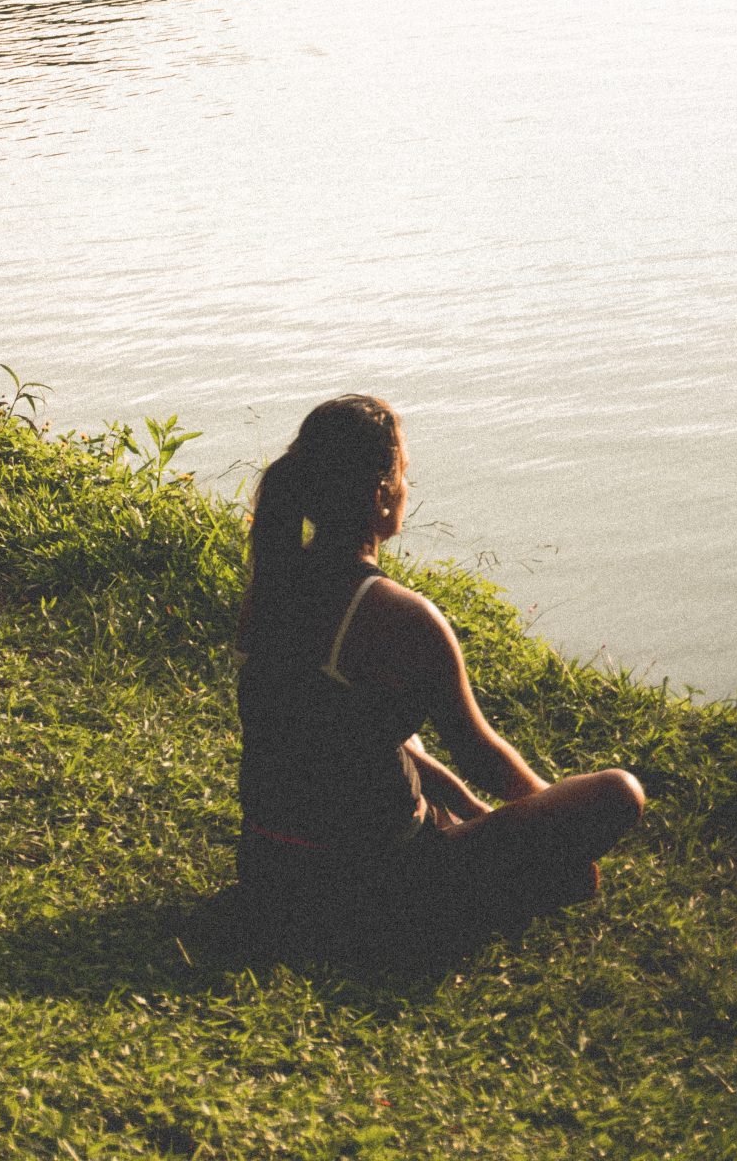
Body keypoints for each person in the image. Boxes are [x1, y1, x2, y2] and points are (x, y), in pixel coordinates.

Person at [236, 394, 644, 960]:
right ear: (381, 495)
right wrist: (551, 824)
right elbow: (482, 755)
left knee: (390, 721)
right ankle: (490, 888)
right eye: (404, 474)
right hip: (368, 892)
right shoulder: (402, 618)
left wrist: (478, 816)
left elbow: (354, 737)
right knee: (618, 794)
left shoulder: (272, 588)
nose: (408, 487)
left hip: (270, 874)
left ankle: (484, 856)